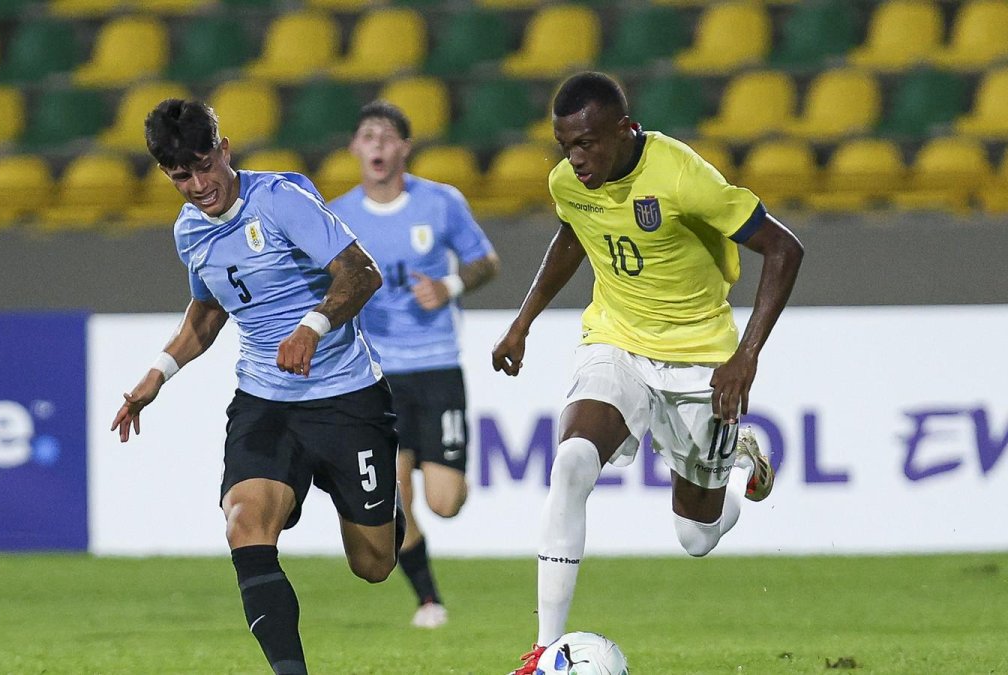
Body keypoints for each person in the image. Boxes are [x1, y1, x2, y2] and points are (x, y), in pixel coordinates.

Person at [491, 72, 804, 673]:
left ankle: (738, 465)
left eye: (588, 144)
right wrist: (522, 322)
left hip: (700, 360)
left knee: (696, 538)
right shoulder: (569, 183)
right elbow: (573, 236)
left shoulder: (682, 175)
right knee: (571, 462)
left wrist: (746, 354)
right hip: (616, 341)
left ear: (624, 129)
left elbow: (785, 249)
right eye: (566, 147)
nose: (576, 160)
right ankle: (543, 650)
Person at [110, 99, 403, 675]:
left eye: (203, 167)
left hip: (347, 400)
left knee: (374, 565)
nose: (198, 186)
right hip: (266, 403)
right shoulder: (189, 231)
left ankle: (384, 507)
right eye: (180, 177)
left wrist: (310, 327)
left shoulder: (279, 201)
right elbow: (207, 313)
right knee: (244, 523)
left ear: (224, 150)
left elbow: (362, 271)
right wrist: (156, 377)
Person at [327, 101, 500, 629]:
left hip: (436, 366)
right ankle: (428, 599)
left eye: (386, 136)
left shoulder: (441, 203)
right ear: (356, 149)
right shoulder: (338, 216)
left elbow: (486, 261)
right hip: (376, 373)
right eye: (367, 135)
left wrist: (448, 286)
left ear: (404, 147)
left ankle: (431, 461)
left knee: (444, 502)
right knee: (395, 500)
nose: (377, 144)